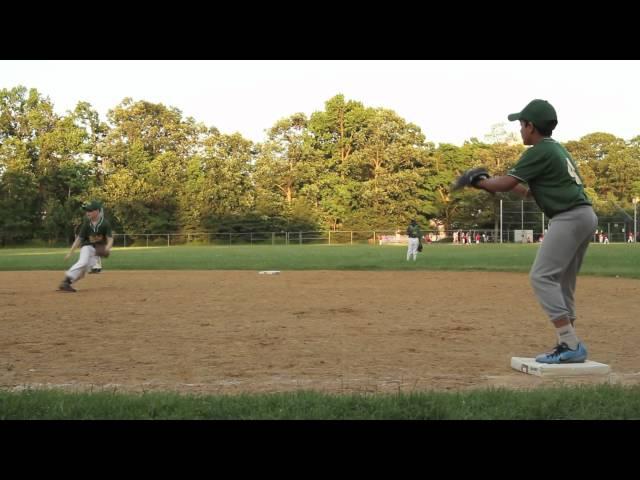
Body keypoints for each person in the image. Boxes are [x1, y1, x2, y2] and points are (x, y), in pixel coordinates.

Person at [473, 99, 597, 364]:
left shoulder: (539, 151)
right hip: (583, 215)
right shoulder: (555, 150)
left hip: (570, 217)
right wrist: (490, 183)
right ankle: (568, 343)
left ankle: (570, 342)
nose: (520, 129)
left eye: (521, 124)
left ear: (531, 127)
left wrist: (480, 182)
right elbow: (526, 191)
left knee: (541, 277)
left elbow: (504, 183)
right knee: (563, 283)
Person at [59, 200, 113, 292]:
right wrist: (70, 252)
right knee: (83, 261)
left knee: (82, 274)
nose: (87, 213)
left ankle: (67, 285)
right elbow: (79, 239)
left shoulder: (105, 224)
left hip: (96, 251)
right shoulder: (87, 224)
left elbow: (110, 239)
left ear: (97, 211)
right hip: (87, 247)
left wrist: (107, 248)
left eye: (90, 210)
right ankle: (66, 280)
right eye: (86, 211)